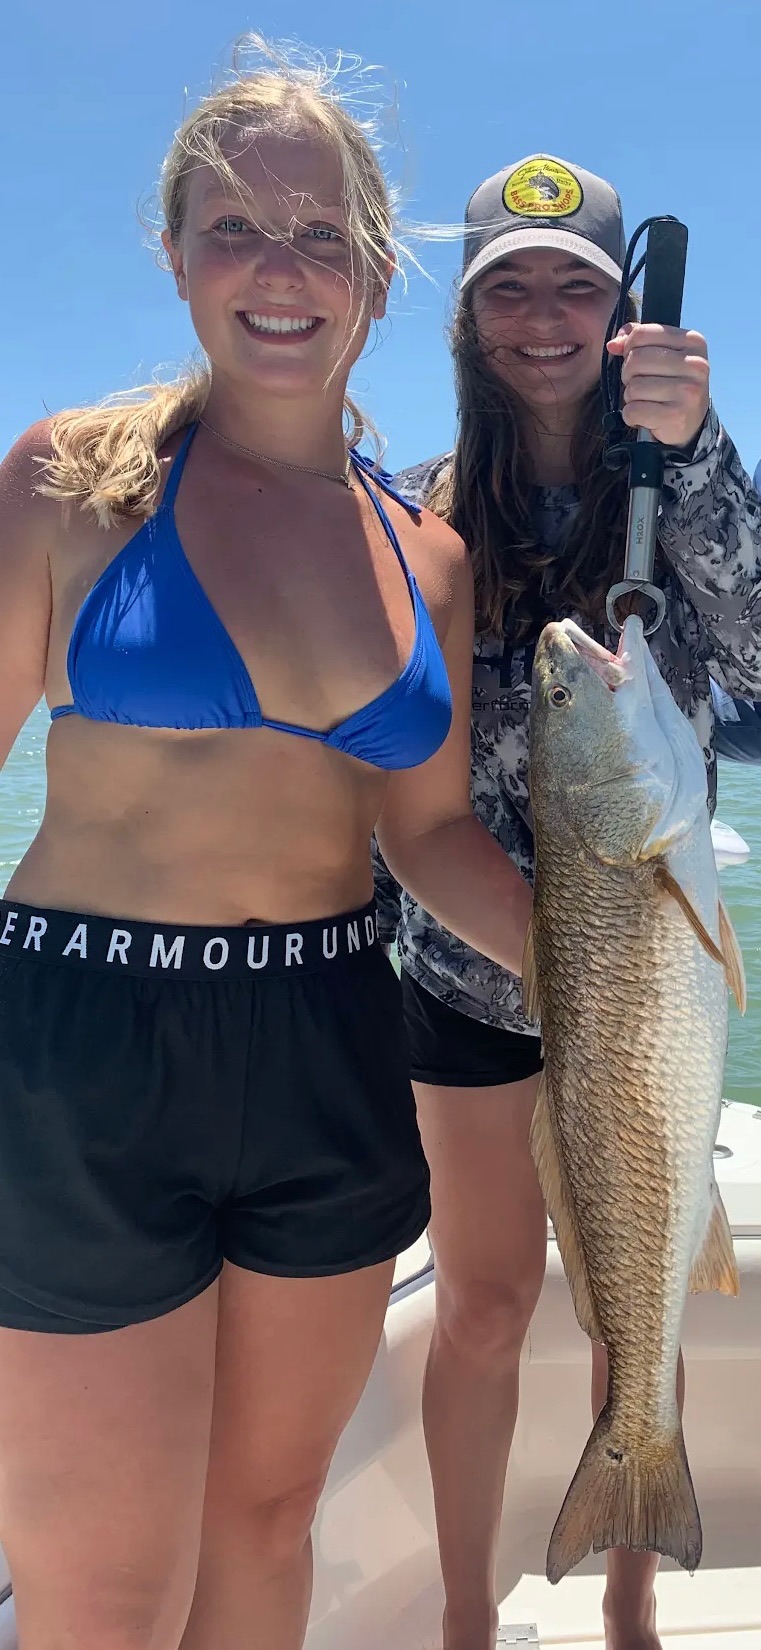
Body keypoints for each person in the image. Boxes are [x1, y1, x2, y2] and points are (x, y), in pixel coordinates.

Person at [0, 48, 536, 1650]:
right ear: (175, 256)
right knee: (106, 1586)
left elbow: (428, 827)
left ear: (375, 269)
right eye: (235, 228)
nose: (278, 269)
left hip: (321, 1030)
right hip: (82, 1047)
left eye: (318, 233)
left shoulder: (419, 550)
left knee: (266, 1524)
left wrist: (614, 965)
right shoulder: (67, 484)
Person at [374, 153, 761, 1650]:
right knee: (478, 1307)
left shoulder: (681, 476)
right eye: (506, 288)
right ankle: (468, 1614)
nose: (541, 316)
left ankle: (626, 1605)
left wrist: (703, 444)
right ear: (468, 321)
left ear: (621, 312)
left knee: (629, 1298)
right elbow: (389, 785)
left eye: (574, 285)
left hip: (644, 979)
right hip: (472, 990)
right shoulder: (417, 515)